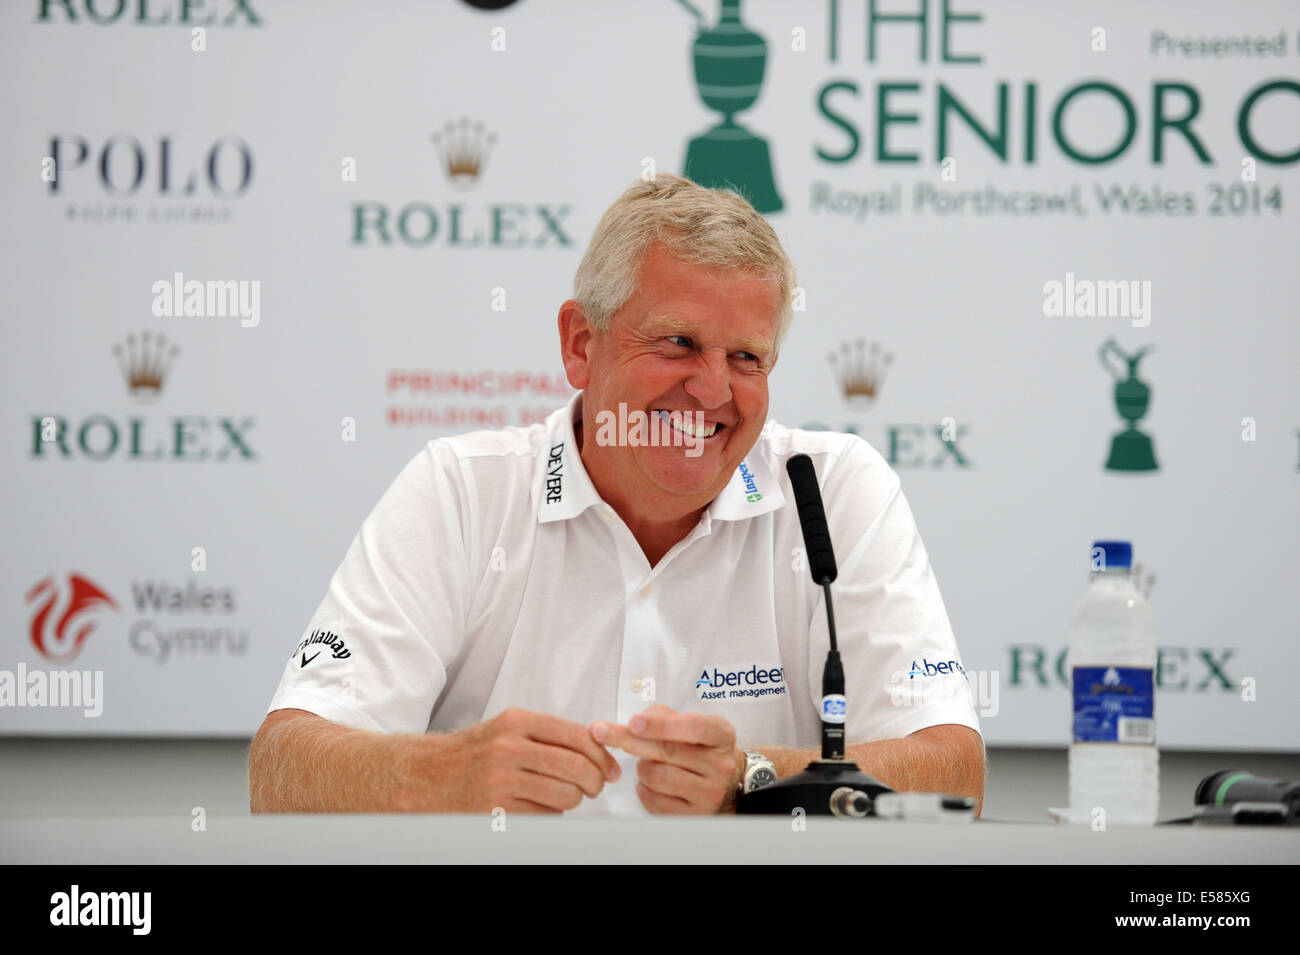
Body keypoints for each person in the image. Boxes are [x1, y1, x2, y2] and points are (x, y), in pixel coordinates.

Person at [249, 174, 985, 816]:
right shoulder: (463, 491)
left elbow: (954, 773)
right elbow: (282, 768)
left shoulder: (832, 491)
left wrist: (749, 779)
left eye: (746, 357)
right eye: (677, 344)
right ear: (580, 344)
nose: (713, 390)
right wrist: (448, 773)